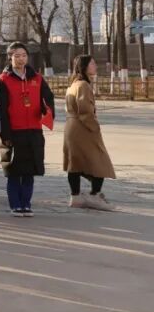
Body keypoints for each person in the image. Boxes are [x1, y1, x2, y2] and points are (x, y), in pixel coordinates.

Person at [0, 42, 55, 216]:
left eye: (23, 55)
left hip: (34, 131)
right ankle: (15, 204)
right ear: (10, 57)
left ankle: (26, 204)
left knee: (29, 171)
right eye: (17, 55)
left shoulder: (37, 78)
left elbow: (48, 98)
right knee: (14, 171)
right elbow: (1, 108)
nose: (21, 59)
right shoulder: (3, 80)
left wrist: (47, 111)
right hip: (14, 131)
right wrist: (5, 134)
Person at [63, 54, 114, 211]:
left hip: (72, 127)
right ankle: (94, 195)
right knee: (100, 162)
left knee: (75, 163)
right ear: (84, 67)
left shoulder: (74, 84)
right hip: (83, 128)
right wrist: (95, 127)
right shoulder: (83, 85)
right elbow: (85, 110)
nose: (95, 66)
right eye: (92, 63)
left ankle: (76, 197)